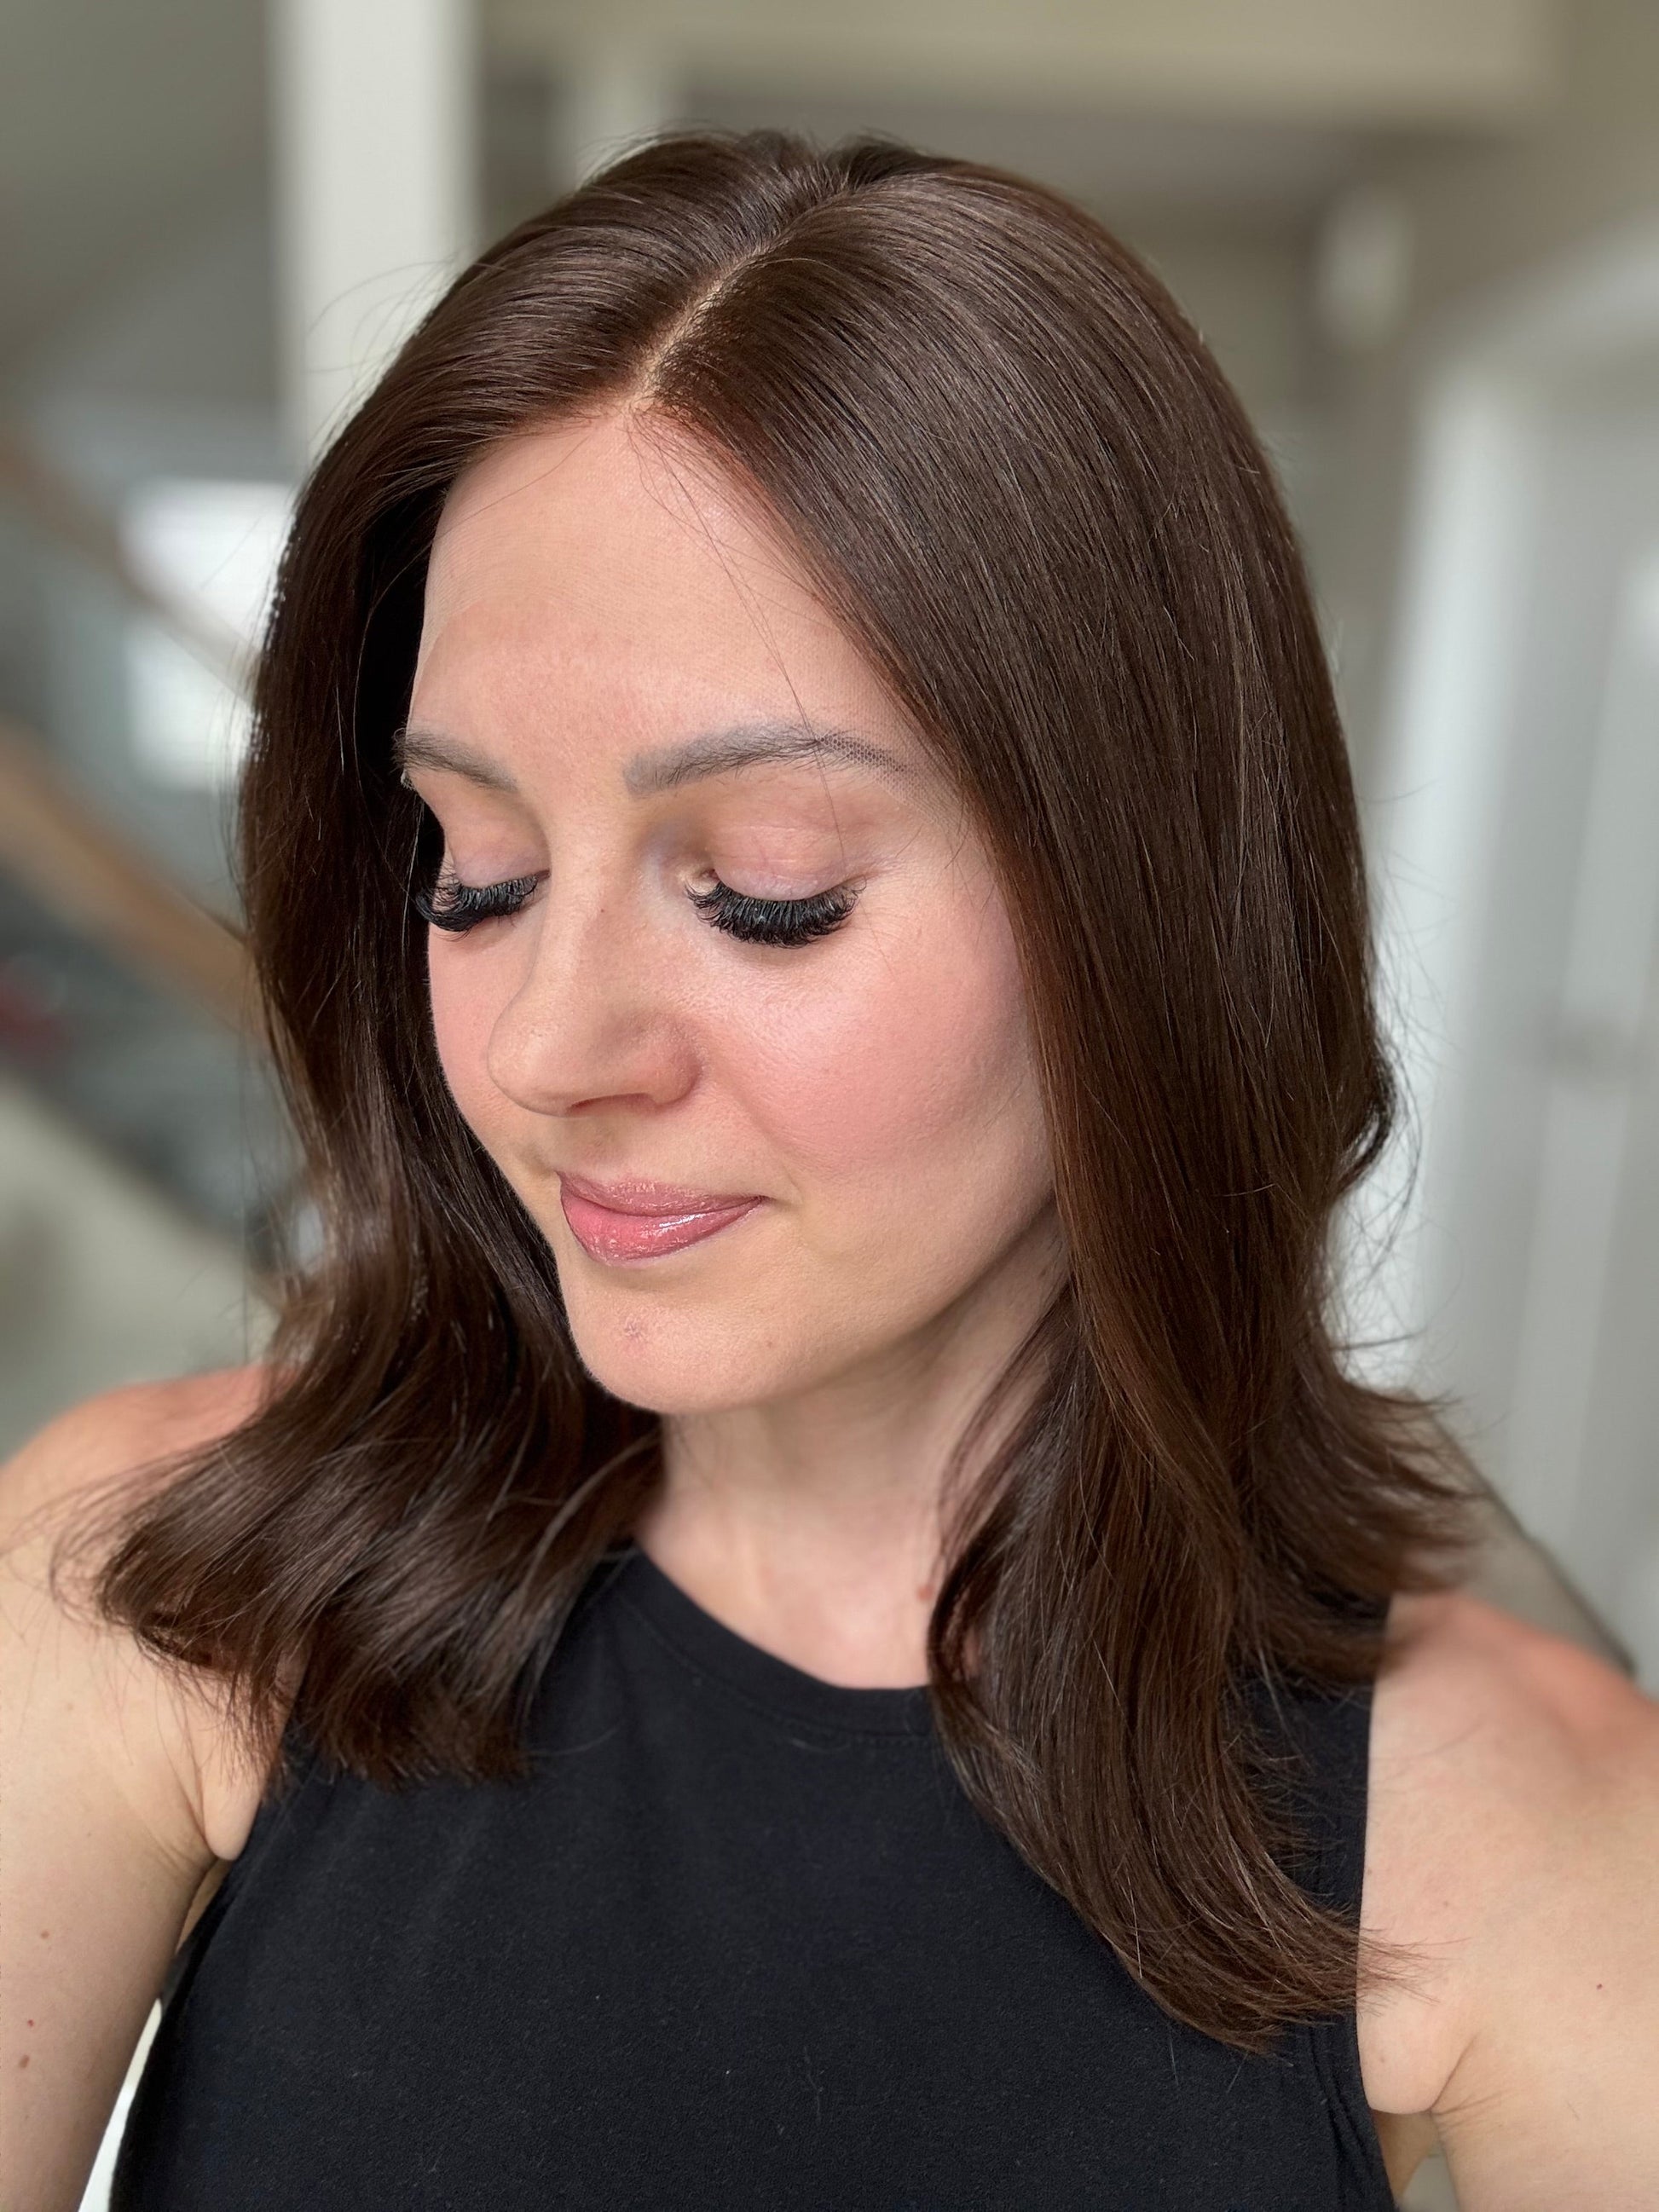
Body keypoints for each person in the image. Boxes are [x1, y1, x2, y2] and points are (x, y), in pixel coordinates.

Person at [3, 130, 1656, 2212]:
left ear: (1146, 915)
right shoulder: (149, 1585)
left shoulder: (1540, 1842)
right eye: (475, 867)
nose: (544, 1050)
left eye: (764, 893)